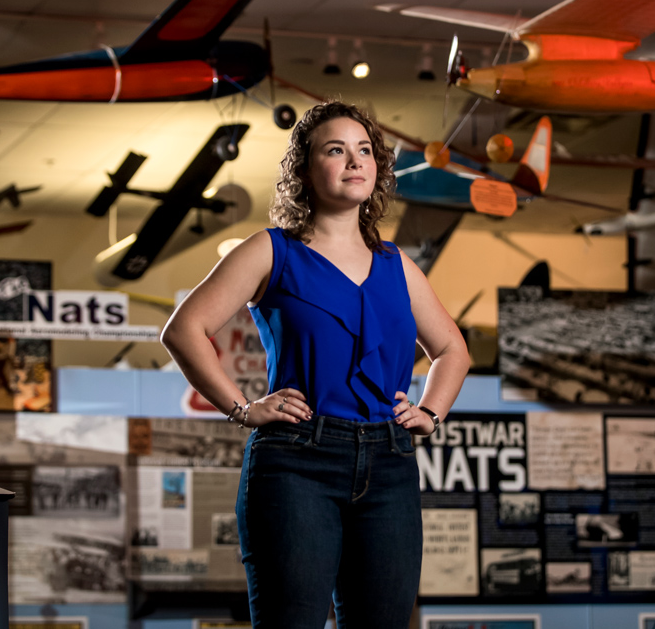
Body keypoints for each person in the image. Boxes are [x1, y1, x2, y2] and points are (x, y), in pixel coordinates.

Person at [161, 101, 470, 628]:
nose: (354, 161)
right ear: (305, 169)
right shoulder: (270, 251)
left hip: (389, 462)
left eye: (364, 150)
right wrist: (241, 409)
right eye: (335, 150)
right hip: (295, 462)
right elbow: (183, 331)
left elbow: (453, 350)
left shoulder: (399, 266)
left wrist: (431, 412)